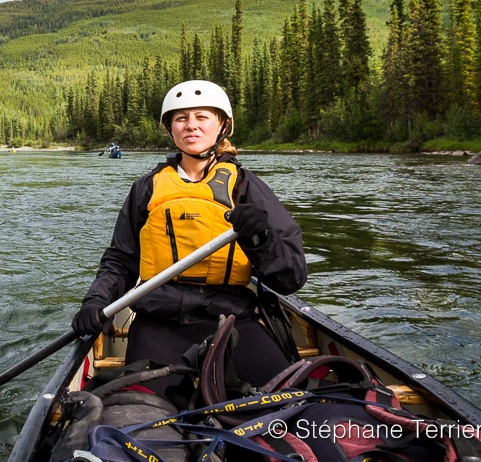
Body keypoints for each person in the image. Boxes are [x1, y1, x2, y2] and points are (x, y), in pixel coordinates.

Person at [71, 80, 307, 398]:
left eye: (201, 117)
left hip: (232, 319)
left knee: (289, 402)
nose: (191, 126)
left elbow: (291, 277)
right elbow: (121, 260)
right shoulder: (147, 188)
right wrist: (97, 301)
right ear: (171, 129)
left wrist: (260, 239)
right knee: (140, 414)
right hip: (159, 320)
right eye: (181, 119)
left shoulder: (248, 188)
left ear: (222, 125)